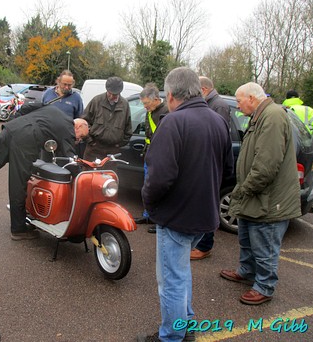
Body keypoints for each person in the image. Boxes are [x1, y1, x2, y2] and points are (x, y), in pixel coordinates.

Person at [138, 67, 233, 342]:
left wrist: (149, 204)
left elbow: (159, 179)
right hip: (204, 216)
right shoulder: (217, 121)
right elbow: (228, 172)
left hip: (177, 217)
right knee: (180, 273)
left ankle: (171, 336)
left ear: (170, 95)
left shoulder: (173, 122)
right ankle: (186, 323)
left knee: (171, 281)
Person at [220, 82, 301, 305]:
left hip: (269, 200)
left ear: (252, 99)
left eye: (239, 101)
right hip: (256, 196)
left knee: (265, 245)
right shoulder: (260, 115)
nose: (237, 106)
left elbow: (266, 166)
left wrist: (243, 190)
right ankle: (247, 271)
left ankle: (264, 286)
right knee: (247, 238)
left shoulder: (272, 117)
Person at [0, 105, 89, 241]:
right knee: (18, 183)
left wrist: (16, 118)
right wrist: (82, 177)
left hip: (12, 129)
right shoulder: (68, 130)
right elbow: (69, 158)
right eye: (81, 136)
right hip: (26, 140)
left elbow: (28, 106)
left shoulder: (55, 110)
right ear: (78, 127)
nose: (78, 140)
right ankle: (18, 229)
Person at [190, 76, 232, 260]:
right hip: (206, 163)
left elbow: (218, 136)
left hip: (210, 164)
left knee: (207, 206)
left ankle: (205, 246)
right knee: (201, 206)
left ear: (204, 90)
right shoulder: (213, 103)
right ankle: (201, 243)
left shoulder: (219, 106)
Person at [132, 83, 168, 234]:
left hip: (160, 158)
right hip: (150, 155)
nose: (145, 107)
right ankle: (148, 216)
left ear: (155, 99)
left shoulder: (166, 112)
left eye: (146, 103)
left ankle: (160, 220)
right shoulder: (151, 110)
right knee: (148, 187)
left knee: (159, 190)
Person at [82, 76, 132, 163]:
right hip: (94, 149)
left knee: (109, 176)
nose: (112, 96)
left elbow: (128, 129)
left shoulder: (125, 105)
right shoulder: (96, 101)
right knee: (89, 175)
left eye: (115, 94)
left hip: (112, 152)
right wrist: (90, 141)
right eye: (110, 93)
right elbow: (83, 122)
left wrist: (118, 145)